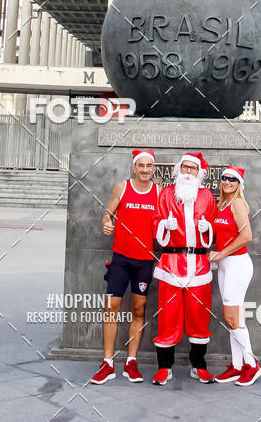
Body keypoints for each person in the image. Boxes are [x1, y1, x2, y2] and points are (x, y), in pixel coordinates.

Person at [92, 149, 160, 385]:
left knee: (139, 310)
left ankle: (131, 362)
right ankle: (108, 363)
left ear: (153, 168)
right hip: (121, 259)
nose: (144, 170)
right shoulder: (122, 188)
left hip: (144, 261)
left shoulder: (158, 192)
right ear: (134, 167)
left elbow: (162, 224)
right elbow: (107, 215)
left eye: (148, 166)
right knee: (111, 308)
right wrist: (107, 223)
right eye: (140, 165)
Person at [152, 152, 216, 385]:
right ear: (179, 170)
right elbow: (156, 221)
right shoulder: (167, 194)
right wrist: (163, 225)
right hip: (171, 264)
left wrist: (207, 227)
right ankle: (164, 368)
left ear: (200, 174)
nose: (188, 172)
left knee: (199, 318)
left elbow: (213, 223)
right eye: (185, 168)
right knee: (168, 317)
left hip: (199, 266)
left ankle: (198, 366)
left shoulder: (207, 196)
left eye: (193, 169)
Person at [210, 166, 261, 386]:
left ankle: (252, 365)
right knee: (235, 319)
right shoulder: (223, 204)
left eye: (232, 179)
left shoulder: (238, 203)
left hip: (237, 265)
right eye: (224, 178)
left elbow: (247, 235)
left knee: (232, 317)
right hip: (224, 265)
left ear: (239, 183)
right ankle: (238, 366)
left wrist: (220, 254)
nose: (227, 181)